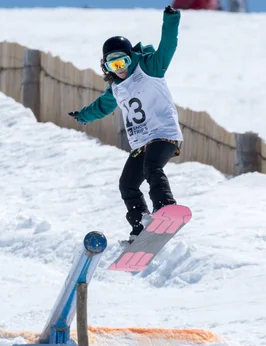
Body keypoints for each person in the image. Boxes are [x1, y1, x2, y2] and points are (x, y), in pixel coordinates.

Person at [68, 5, 184, 243]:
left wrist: (171, 19)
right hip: (141, 142)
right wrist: (83, 115)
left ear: (131, 57)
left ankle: (164, 207)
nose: (119, 70)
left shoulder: (150, 66)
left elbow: (168, 45)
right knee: (127, 184)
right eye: (113, 66)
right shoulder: (116, 87)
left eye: (122, 62)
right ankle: (141, 224)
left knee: (152, 167)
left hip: (164, 134)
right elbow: (102, 106)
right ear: (106, 67)